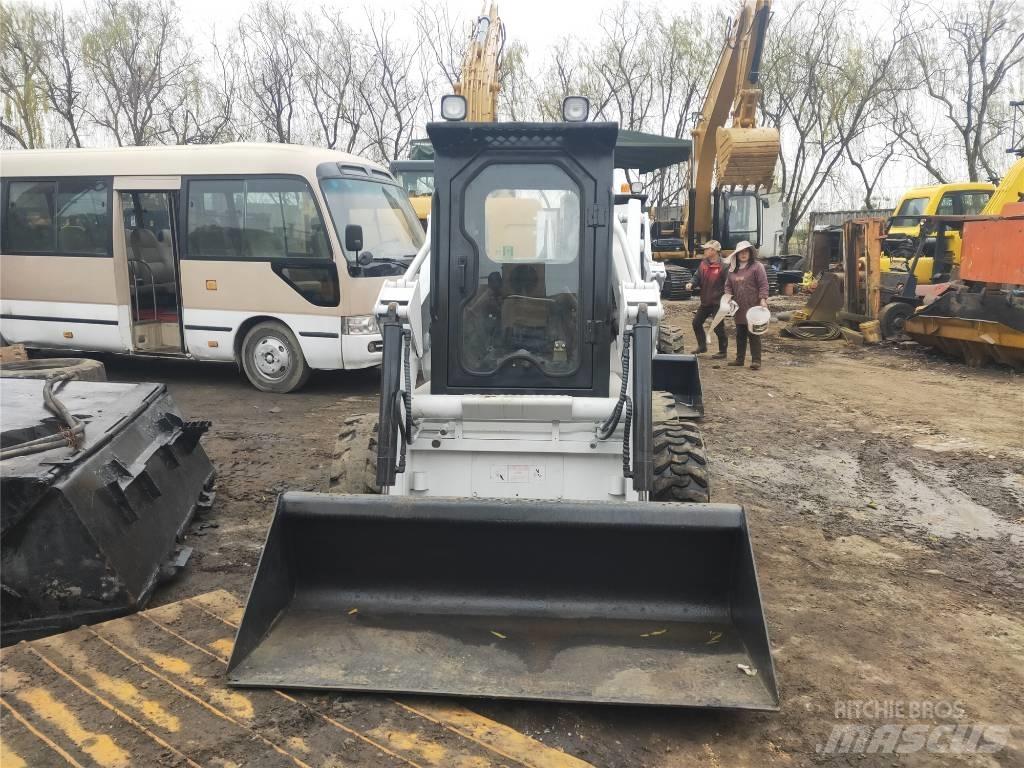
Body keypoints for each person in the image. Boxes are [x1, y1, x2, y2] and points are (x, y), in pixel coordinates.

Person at [724, 240, 769, 370]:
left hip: (754, 306)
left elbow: (763, 284)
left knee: (754, 334)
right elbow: (728, 286)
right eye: (740, 252)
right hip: (739, 307)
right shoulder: (733, 270)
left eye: (746, 252)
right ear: (736, 255)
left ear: (750, 253)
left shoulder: (757, 267)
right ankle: (739, 359)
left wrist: (763, 299)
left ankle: (756, 361)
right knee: (740, 334)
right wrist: (727, 297)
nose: (743, 254)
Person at [686, 240, 729, 358]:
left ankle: (723, 351)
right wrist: (691, 283)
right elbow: (697, 277)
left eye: (706, 249)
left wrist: (728, 299)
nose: (704, 251)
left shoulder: (724, 266)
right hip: (705, 301)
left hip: (718, 303)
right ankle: (702, 346)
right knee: (696, 323)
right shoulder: (704, 264)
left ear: (714, 251)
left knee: (718, 327)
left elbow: (728, 284)